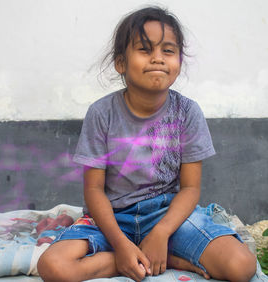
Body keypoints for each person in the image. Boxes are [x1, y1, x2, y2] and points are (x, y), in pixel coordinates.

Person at [38, 6, 257, 282]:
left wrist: (162, 233)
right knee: (53, 267)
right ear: (121, 63)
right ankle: (130, 260)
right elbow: (93, 189)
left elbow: (190, 188)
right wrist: (120, 245)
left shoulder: (187, 112)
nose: (158, 59)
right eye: (145, 49)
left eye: (168, 51)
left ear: (179, 62)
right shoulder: (101, 113)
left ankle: (155, 252)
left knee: (241, 266)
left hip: (168, 216)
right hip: (114, 219)